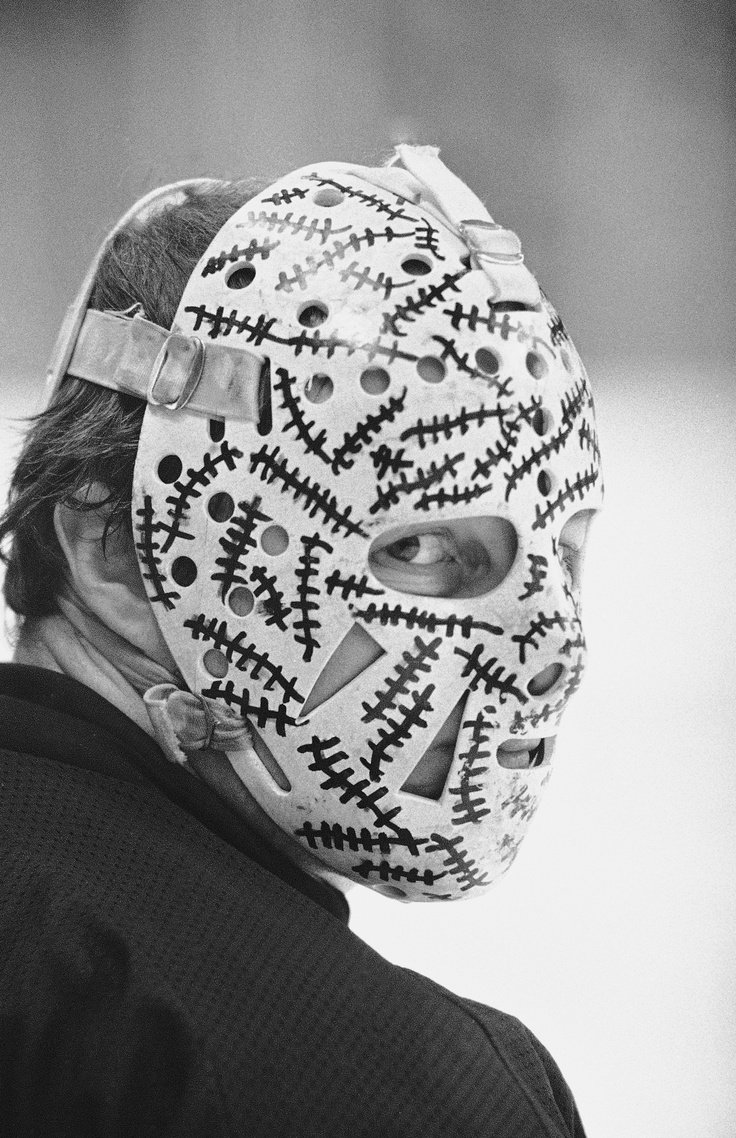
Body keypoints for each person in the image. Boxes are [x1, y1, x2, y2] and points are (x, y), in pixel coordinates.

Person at [0, 146, 602, 1136]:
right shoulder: (383, 1087)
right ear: (119, 552)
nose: (553, 651)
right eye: (420, 546)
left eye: (561, 555)